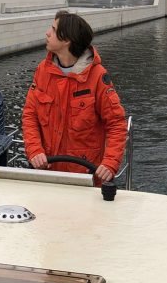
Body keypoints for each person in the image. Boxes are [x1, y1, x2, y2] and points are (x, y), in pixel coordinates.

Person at [22, 11, 127, 184]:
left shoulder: (97, 77)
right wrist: (34, 150)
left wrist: (110, 163)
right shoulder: (43, 70)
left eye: (53, 29)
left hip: (84, 177)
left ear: (66, 40)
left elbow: (116, 123)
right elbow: (30, 114)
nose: (47, 33)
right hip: (46, 173)